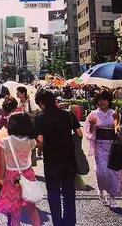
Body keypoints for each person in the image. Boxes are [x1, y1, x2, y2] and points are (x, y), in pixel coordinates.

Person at [35, 89, 82, 226]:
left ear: (42, 103)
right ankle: (70, 222)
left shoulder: (40, 117)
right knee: (68, 193)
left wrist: (39, 148)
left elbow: (40, 139)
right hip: (69, 159)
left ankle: (58, 222)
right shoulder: (67, 114)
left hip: (51, 161)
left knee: (53, 193)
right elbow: (79, 134)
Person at [0, 113, 41, 226]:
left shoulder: (4, 141)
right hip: (27, 174)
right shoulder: (30, 141)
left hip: (11, 177)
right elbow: (39, 143)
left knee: (15, 211)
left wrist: (0, 177)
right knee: (32, 208)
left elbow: (2, 163)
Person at [84, 90, 122, 207]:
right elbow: (88, 132)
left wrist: (117, 121)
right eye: (99, 99)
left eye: (104, 99)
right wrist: (91, 125)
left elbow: (120, 131)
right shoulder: (93, 114)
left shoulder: (115, 113)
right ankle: (101, 190)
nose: (102, 102)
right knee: (101, 172)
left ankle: (112, 197)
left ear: (109, 100)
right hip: (100, 146)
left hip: (113, 146)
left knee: (113, 172)